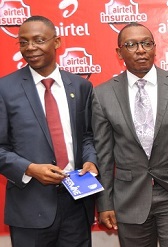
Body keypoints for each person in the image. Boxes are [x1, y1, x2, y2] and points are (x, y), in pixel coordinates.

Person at [92, 22, 168, 247]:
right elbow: (103, 155)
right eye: (131, 45)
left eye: (146, 43)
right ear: (119, 52)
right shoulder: (102, 94)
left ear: (154, 47)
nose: (141, 50)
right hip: (129, 198)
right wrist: (104, 203)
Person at [0, 16, 98, 247]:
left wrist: (91, 161)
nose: (30, 47)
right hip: (29, 206)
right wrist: (30, 169)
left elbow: (87, 136)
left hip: (77, 204)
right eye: (23, 42)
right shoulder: (5, 89)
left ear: (57, 42)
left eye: (39, 40)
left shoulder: (82, 86)